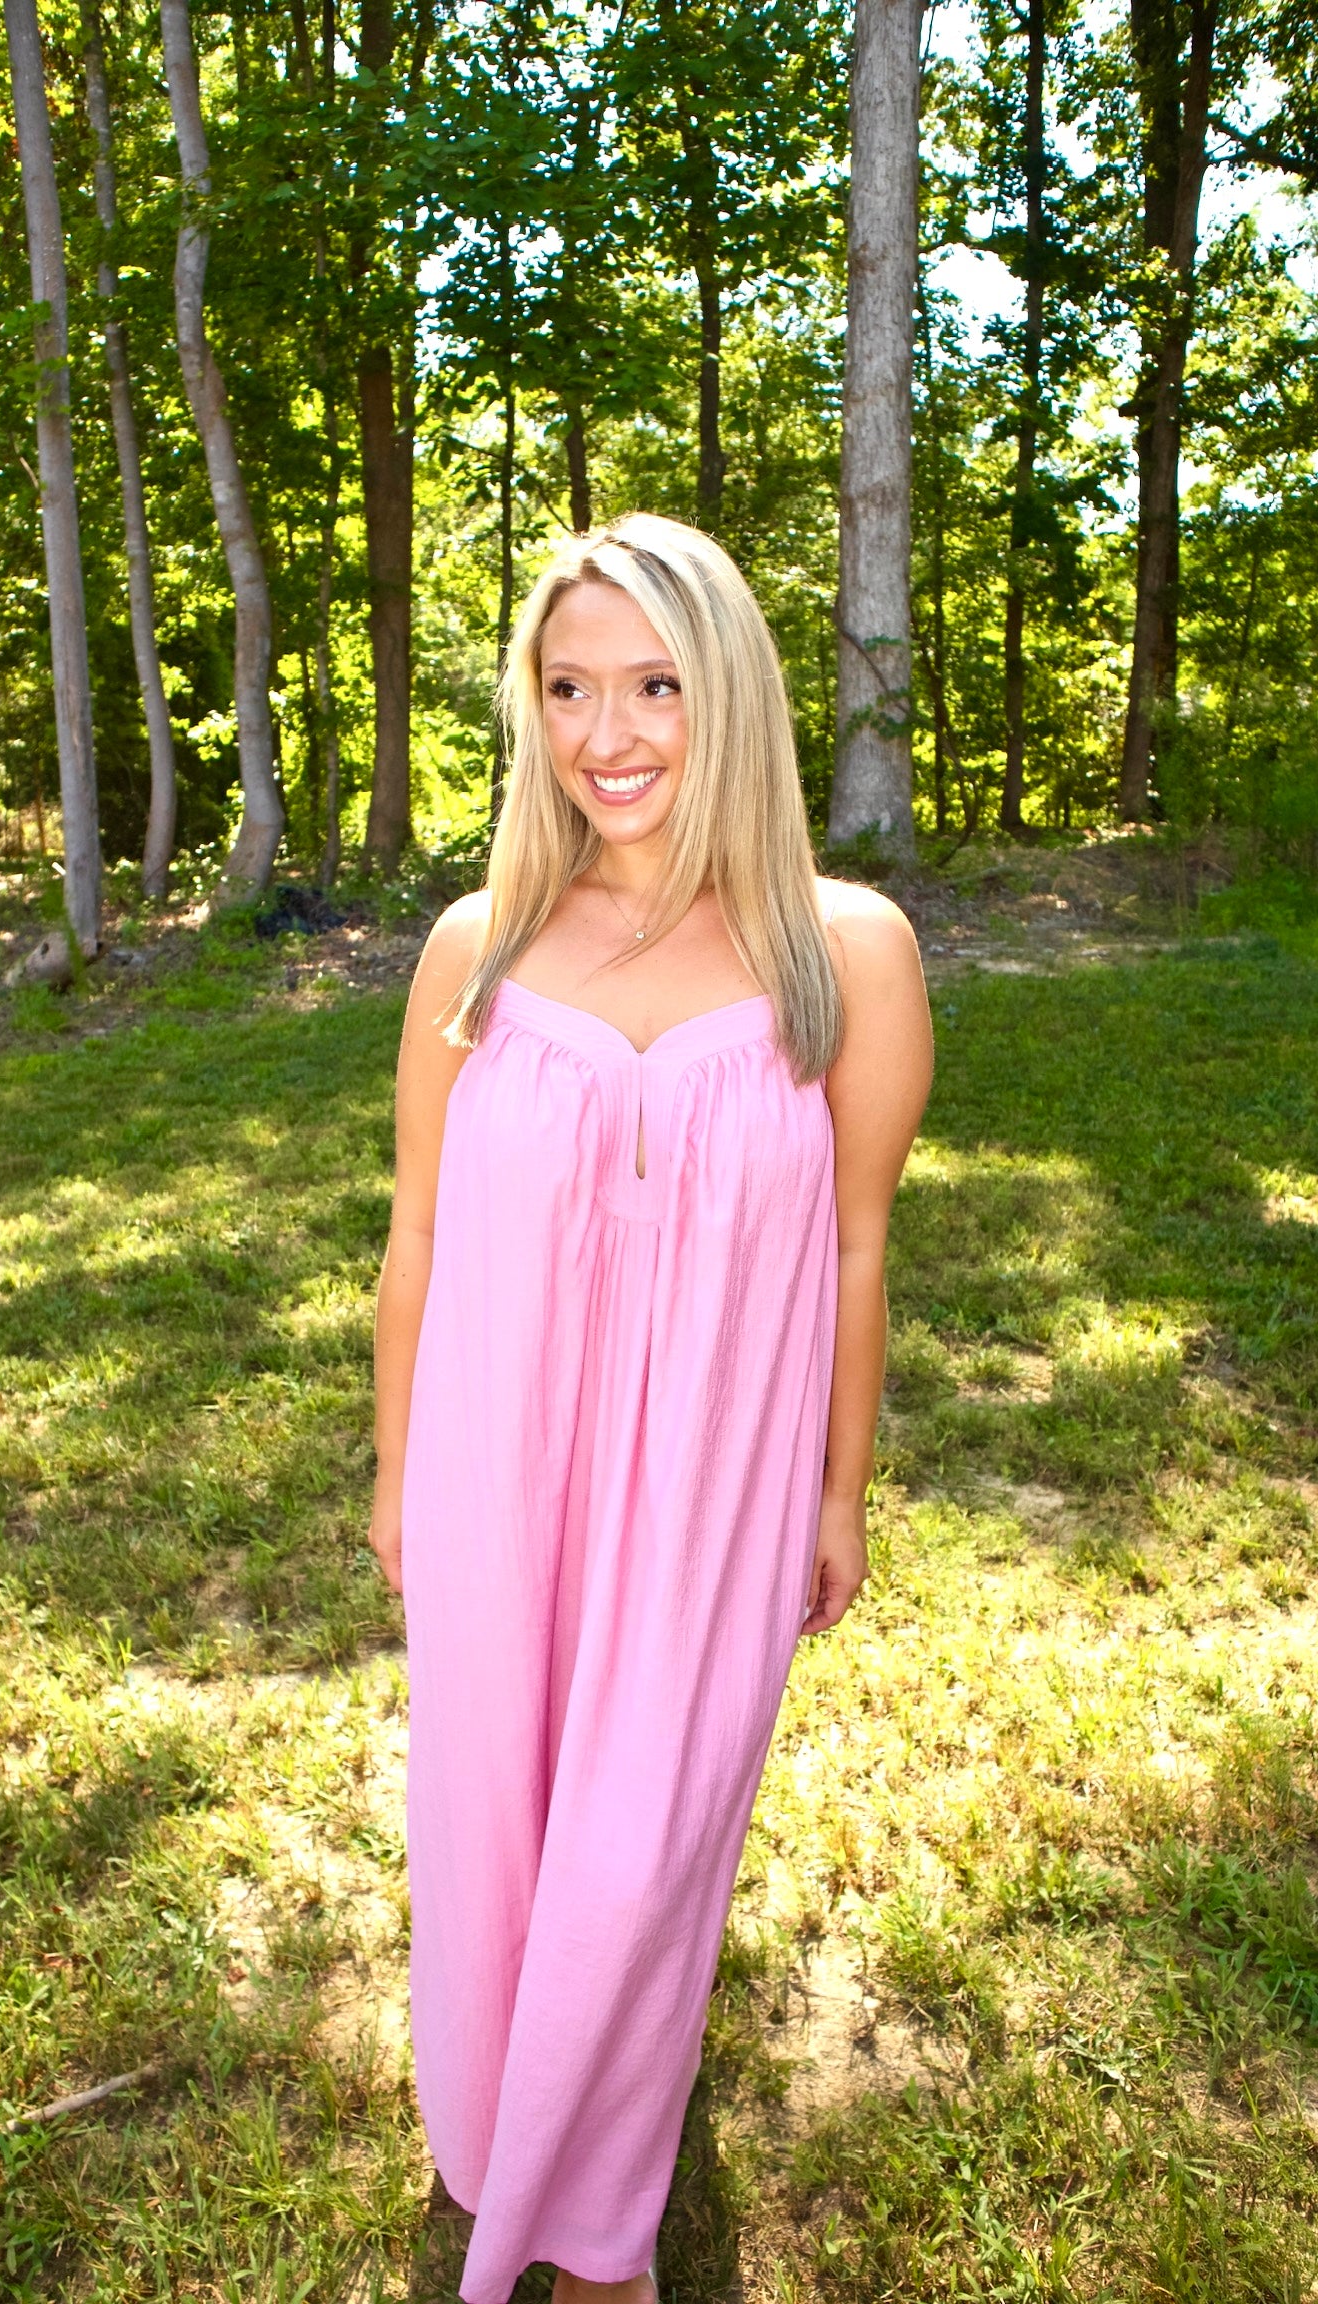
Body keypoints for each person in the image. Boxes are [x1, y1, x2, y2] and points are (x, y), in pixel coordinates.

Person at [370, 514, 932, 2304]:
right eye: (568, 688)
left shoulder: (844, 951)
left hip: (710, 1491)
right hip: (493, 1475)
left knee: (635, 1858)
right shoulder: (476, 948)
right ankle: (489, 2143)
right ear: (528, 712)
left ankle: (601, 2225)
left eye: (656, 684)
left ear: (733, 693)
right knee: (499, 1835)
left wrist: (837, 1497)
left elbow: (854, 1249)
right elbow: (419, 1233)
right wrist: (398, 1481)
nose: (609, 733)